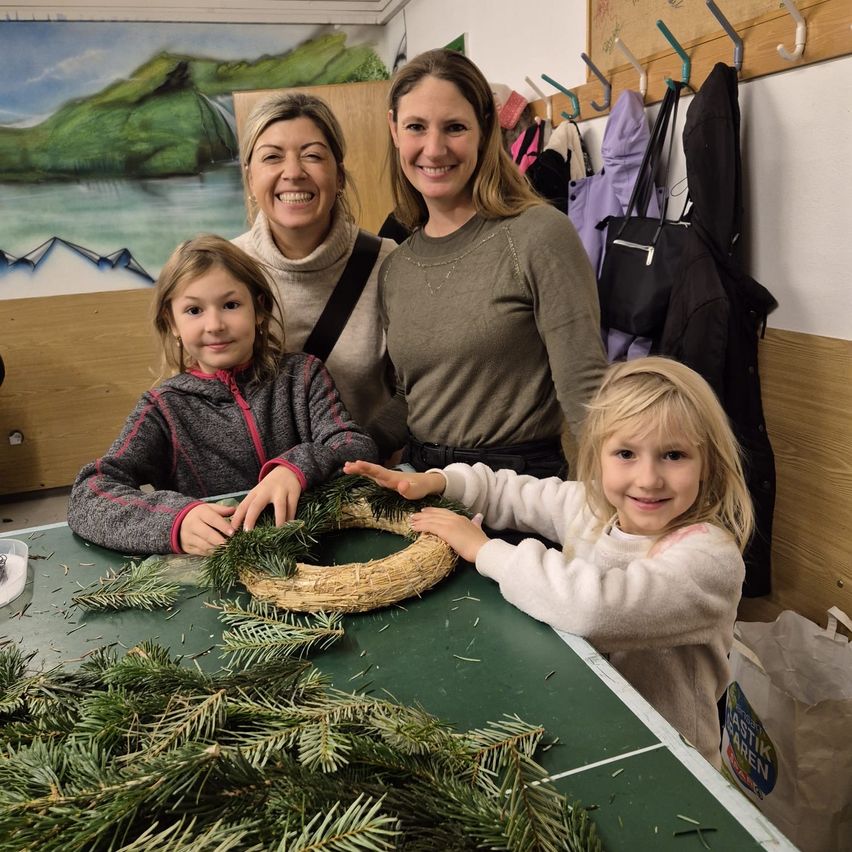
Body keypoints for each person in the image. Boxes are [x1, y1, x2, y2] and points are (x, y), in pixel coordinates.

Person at [345, 357, 754, 767]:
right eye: (626, 453)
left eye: (674, 455)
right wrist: (439, 481)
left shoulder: (709, 559)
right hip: (589, 726)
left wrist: (484, 550)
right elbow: (507, 491)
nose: (648, 479)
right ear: (598, 456)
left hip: (671, 761)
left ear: (708, 464)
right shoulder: (593, 506)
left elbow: (596, 609)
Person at [68, 235, 378, 557]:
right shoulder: (163, 408)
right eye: (193, 310)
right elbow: (89, 493)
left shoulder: (303, 375)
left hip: (322, 550)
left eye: (230, 305)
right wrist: (175, 521)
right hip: (222, 570)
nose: (214, 325)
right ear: (170, 322)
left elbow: (354, 446)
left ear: (260, 310)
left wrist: (295, 467)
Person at [374, 48, 607, 476]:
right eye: (416, 127)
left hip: (520, 490)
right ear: (394, 130)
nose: (434, 147)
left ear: (485, 129)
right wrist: (343, 450)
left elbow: (585, 392)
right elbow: (414, 398)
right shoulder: (396, 266)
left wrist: (622, 507)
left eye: (455, 127)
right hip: (422, 486)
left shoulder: (539, 234)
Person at [233, 92, 397, 438]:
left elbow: (414, 394)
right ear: (250, 178)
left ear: (338, 175)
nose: (293, 173)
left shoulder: (388, 263)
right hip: (258, 484)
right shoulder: (225, 270)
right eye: (272, 157)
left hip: (361, 479)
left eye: (312, 156)